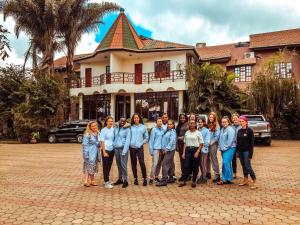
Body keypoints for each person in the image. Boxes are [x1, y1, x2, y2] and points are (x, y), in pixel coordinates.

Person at [179, 120, 204, 188]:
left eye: (193, 123)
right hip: (188, 150)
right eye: (190, 123)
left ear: (195, 124)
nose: (192, 125)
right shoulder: (187, 132)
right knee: (186, 165)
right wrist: (184, 153)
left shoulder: (198, 133)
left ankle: (194, 180)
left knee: (195, 166)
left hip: (195, 150)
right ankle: (184, 181)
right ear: (189, 125)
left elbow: (201, 143)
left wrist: (198, 151)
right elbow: (185, 143)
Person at [236, 116, 257, 189]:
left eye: (242, 121)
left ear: (246, 122)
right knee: (243, 166)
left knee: (248, 166)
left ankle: (254, 182)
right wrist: (237, 152)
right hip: (240, 151)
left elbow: (251, 144)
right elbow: (238, 142)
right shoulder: (239, 131)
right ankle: (245, 180)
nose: (241, 122)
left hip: (246, 151)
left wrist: (250, 154)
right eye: (240, 121)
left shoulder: (250, 131)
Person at [130, 113, 149, 186]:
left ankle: (144, 179)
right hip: (132, 148)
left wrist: (141, 143)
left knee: (141, 162)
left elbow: (146, 138)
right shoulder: (130, 127)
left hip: (140, 147)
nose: (136, 119)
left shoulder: (143, 127)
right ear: (133, 119)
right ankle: (135, 178)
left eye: (137, 118)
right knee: (133, 163)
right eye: (134, 118)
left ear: (139, 119)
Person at [156, 120, 177, 186]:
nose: (169, 125)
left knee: (164, 164)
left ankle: (164, 180)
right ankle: (171, 177)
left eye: (171, 124)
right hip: (165, 150)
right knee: (169, 163)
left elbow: (171, 142)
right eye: (168, 124)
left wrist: (166, 149)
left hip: (170, 150)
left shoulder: (173, 132)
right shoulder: (167, 131)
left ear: (173, 125)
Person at [217, 116, 236, 185]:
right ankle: (229, 178)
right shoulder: (222, 129)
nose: (224, 123)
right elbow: (220, 139)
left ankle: (224, 179)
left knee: (225, 162)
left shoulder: (230, 130)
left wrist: (225, 148)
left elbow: (230, 141)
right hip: (223, 149)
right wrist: (219, 147)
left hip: (230, 148)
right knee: (227, 163)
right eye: (222, 122)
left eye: (225, 122)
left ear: (228, 122)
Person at [82, 121, 101, 187]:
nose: (94, 127)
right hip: (89, 153)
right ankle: (86, 181)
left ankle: (92, 180)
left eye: (95, 125)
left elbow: (99, 142)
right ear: (90, 127)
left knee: (93, 166)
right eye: (92, 126)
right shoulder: (87, 134)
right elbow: (85, 145)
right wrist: (86, 154)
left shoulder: (98, 133)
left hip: (96, 153)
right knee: (88, 167)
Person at [113, 117, 131, 188]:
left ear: (126, 122)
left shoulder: (128, 129)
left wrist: (125, 150)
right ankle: (120, 179)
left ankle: (125, 180)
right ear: (119, 121)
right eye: (121, 121)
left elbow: (128, 140)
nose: (122, 122)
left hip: (123, 149)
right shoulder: (116, 127)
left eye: (124, 121)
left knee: (124, 166)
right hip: (116, 149)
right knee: (118, 165)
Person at [99, 116, 115, 189]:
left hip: (112, 150)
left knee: (109, 165)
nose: (111, 122)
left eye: (112, 121)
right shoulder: (103, 130)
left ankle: (107, 180)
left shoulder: (113, 129)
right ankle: (106, 182)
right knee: (105, 166)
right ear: (106, 122)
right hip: (106, 150)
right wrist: (104, 151)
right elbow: (102, 141)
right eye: (109, 121)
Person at [149, 117, 165, 184]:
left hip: (162, 149)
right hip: (155, 149)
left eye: (161, 121)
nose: (159, 122)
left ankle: (156, 177)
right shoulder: (154, 130)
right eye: (158, 121)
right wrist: (151, 150)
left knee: (159, 164)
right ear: (156, 122)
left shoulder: (163, 130)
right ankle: (151, 178)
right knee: (155, 164)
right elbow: (151, 140)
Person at [207, 112, 221, 182]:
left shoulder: (217, 126)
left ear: (214, 118)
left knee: (213, 159)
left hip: (213, 145)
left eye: (212, 117)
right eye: (210, 117)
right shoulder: (208, 125)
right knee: (207, 159)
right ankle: (207, 172)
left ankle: (217, 174)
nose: (211, 118)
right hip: (207, 145)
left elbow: (217, 137)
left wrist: (211, 142)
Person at [176, 114, 189, 181]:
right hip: (179, 145)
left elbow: (189, 134)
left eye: (183, 118)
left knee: (186, 161)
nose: (182, 119)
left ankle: (186, 175)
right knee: (182, 161)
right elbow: (176, 134)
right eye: (181, 118)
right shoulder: (178, 125)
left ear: (186, 118)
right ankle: (183, 174)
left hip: (186, 145)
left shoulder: (188, 125)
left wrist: (182, 138)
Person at [197, 117, 210, 184]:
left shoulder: (206, 130)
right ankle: (202, 175)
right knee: (200, 164)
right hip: (198, 150)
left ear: (204, 123)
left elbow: (207, 142)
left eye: (201, 122)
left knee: (203, 163)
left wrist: (202, 146)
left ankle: (204, 177)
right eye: (199, 122)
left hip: (204, 150)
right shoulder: (197, 130)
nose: (200, 123)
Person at [231, 113, 241, 179]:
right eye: (233, 119)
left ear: (238, 119)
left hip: (240, 146)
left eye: (236, 118)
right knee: (233, 160)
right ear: (232, 120)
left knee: (242, 160)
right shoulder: (230, 127)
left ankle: (246, 174)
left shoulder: (241, 126)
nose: (235, 120)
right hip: (233, 146)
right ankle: (234, 173)